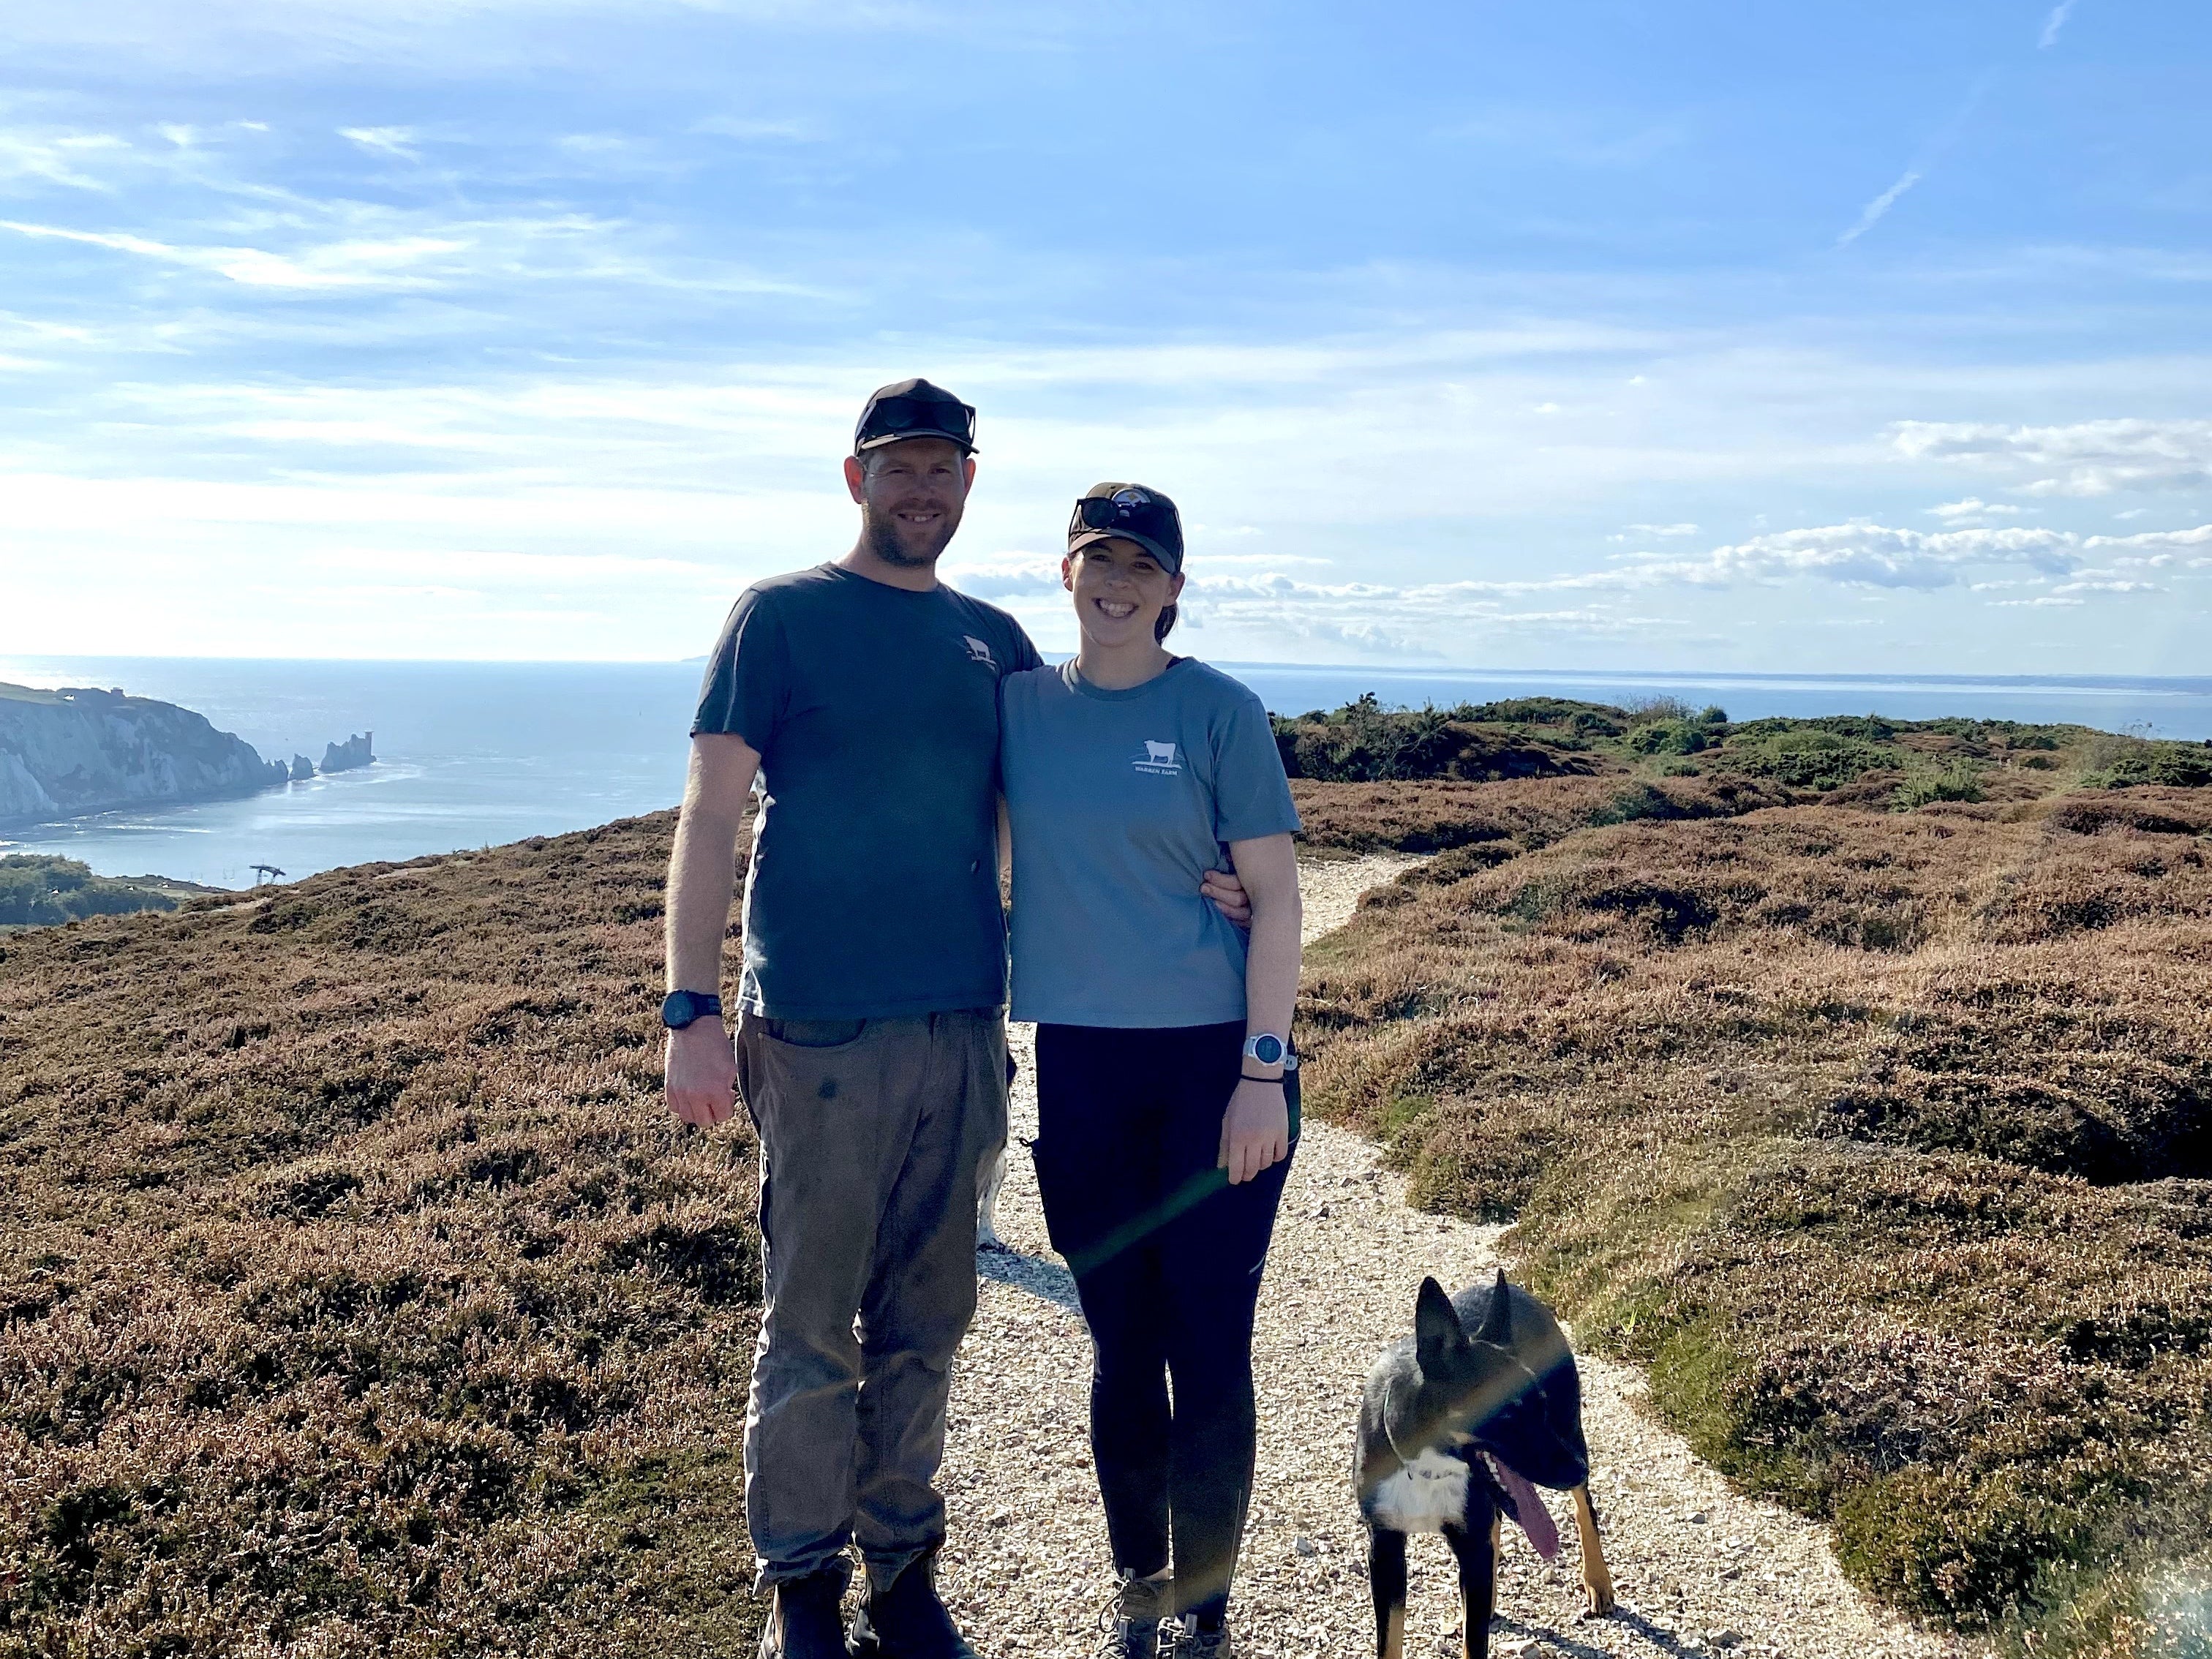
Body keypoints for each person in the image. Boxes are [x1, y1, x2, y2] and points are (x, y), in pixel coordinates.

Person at [661, 387, 1251, 1659]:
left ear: (971, 486)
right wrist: (690, 1009)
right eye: (898, 469)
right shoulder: (779, 616)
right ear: (855, 479)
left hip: (966, 1023)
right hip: (818, 1023)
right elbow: (710, 816)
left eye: (943, 470)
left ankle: (904, 1567)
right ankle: (804, 1585)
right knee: (812, 1319)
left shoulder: (993, 646)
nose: (920, 490)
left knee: (930, 1317)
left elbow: (1065, 796)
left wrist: (1225, 873)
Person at [999, 484, 1304, 1659]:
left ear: (1175, 588)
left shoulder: (1220, 711)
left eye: (1142, 563)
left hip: (1215, 1068)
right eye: (1096, 557)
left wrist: (1261, 1072)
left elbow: (1274, 900)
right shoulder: (1017, 707)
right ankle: (1141, 1589)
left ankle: (1207, 1610)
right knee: (1121, 1342)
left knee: (1211, 1342)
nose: (1117, 580)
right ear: (1064, 573)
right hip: (1080, 1068)